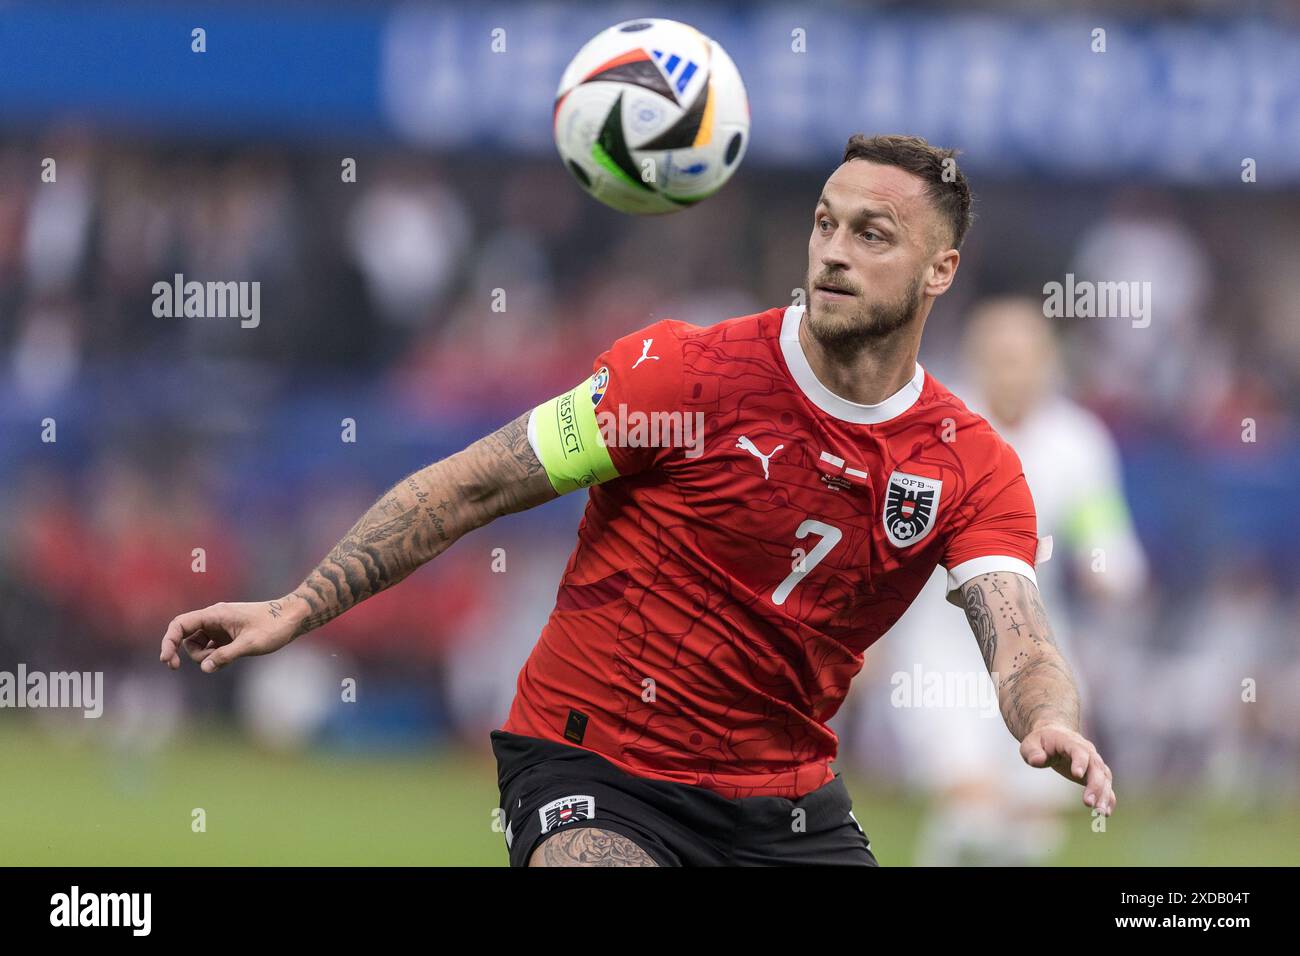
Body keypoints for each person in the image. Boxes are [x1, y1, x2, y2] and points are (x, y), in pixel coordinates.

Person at [159, 134, 1116, 867]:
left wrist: (1048, 720)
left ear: (939, 271)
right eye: (825, 223)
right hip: (595, 764)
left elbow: (1021, 638)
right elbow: (474, 482)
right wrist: (297, 605)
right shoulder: (685, 377)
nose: (833, 252)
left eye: (872, 235)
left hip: (783, 798)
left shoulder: (969, 464)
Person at [870, 296, 1146, 865]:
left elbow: (1106, 539)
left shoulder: (1078, 441)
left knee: (1029, 825)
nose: (1011, 370)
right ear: (976, 360)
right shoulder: (937, 433)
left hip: (1039, 645)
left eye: (1023, 357)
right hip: (940, 650)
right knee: (972, 809)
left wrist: (1112, 573)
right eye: (998, 356)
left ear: (1048, 362)